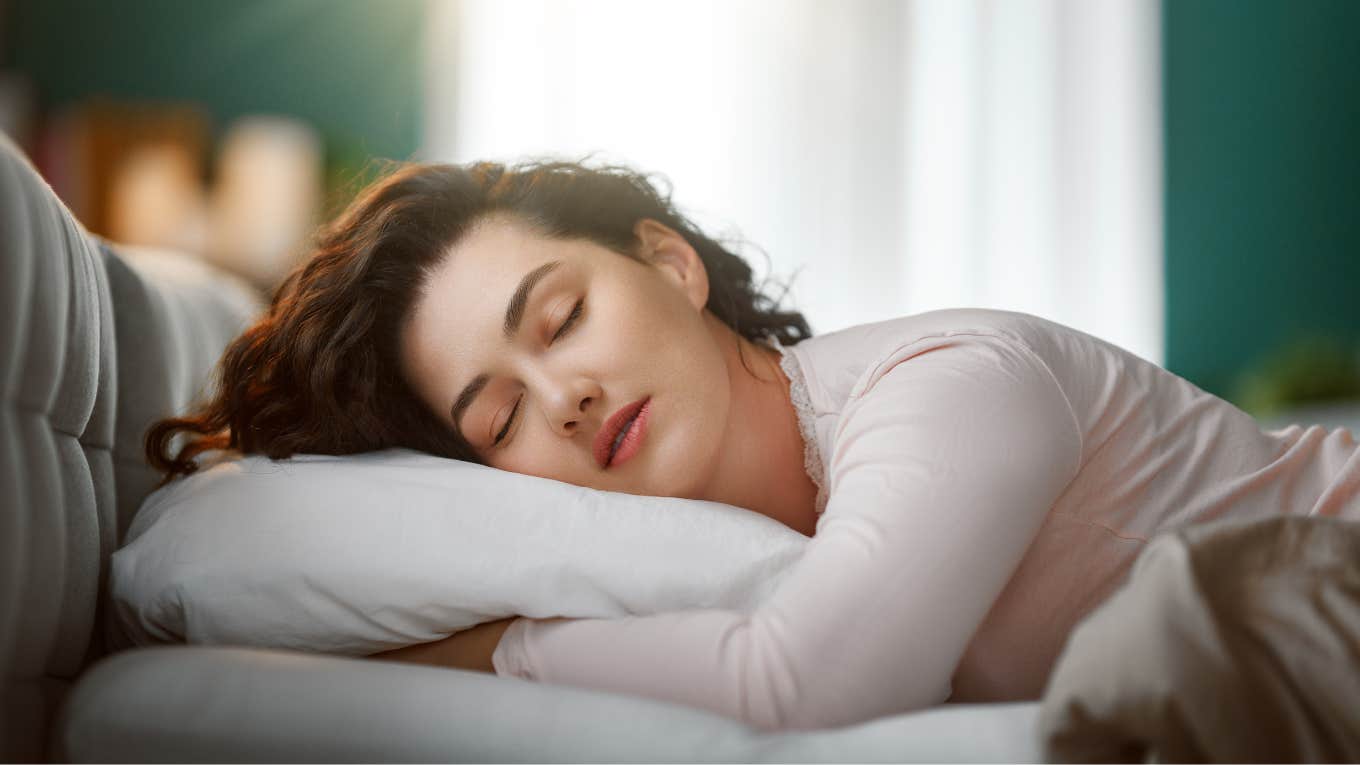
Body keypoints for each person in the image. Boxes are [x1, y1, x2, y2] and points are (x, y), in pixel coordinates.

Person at [146, 159, 1360, 732]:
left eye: (561, 318)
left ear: (670, 265)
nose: (560, 399)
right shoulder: (747, 551)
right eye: (497, 418)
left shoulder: (946, 388)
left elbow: (807, 682)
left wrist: (478, 654)